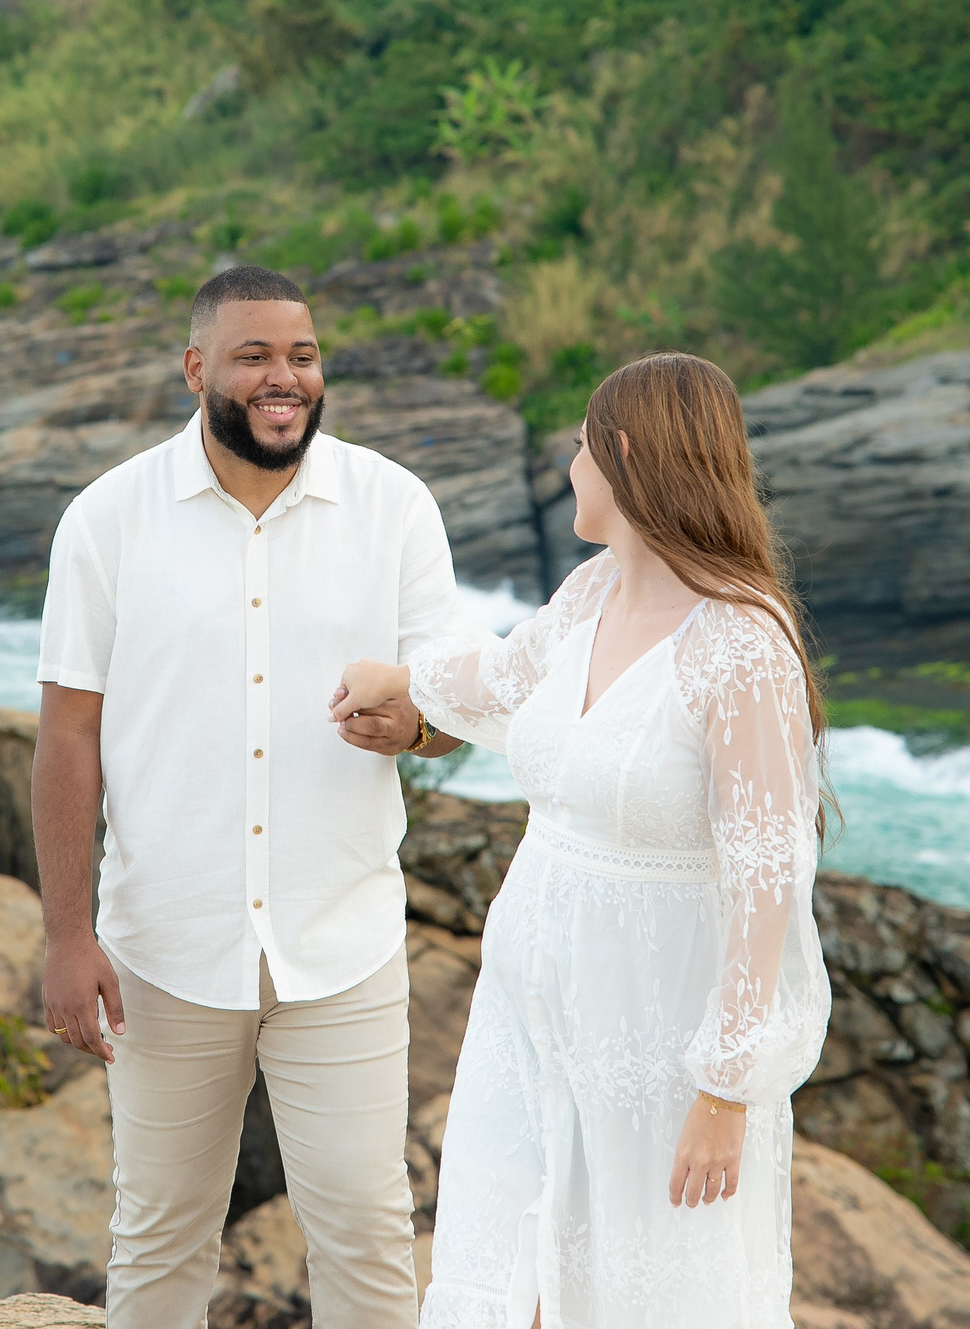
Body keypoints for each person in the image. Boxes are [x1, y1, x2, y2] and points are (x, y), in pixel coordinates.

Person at [329, 351, 832, 1329]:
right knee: (508, 1270)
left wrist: (725, 1089)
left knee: (641, 1286)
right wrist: (401, 682)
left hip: (654, 1036)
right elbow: (503, 682)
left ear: (627, 454)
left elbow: (769, 868)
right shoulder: (594, 593)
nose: (567, 466)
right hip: (529, 1014)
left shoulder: (742, 640)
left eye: (578, 446)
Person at [32, 265, 467, 1329]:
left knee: (365, 1230)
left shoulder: (394, 506)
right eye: (256, 355)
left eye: (304, 355)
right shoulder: (107, 520)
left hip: (342, 943)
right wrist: (64, 938)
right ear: (196, 370)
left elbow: (457, 706)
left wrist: (409, 726)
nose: (286, 378)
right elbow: (67, 739)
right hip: (162, 952)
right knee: (159, 1232)